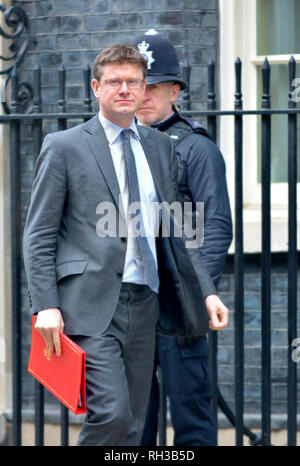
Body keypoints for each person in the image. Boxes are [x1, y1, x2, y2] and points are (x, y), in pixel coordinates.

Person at [23, 43, 229, 446]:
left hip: (145, 302)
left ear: (142, 88)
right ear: (96, 88)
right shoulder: (64, 146)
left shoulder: (160, 147)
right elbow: (39, 233)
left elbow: (176, 228)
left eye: (133, 82)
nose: (125, 89)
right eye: (114, 82)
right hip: (90, 304)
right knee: (113, 414)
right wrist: (45, 305)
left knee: (135, 425)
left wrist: (206, 291)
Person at [133, 31, 233, 446]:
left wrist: (198, 293)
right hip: (133, 302)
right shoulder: (120, 145)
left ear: (175, 90)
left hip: (179, 302)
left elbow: (216, 228)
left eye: (154, 86)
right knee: (135, 420)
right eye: (140, 84)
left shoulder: (195, 147)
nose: (144, 95)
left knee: (191, 416)